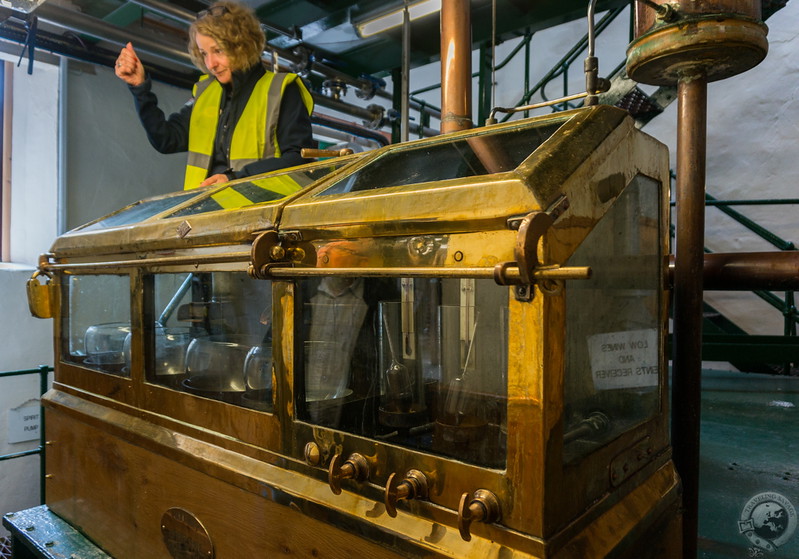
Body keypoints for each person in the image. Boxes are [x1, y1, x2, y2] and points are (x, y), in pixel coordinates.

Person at [115, 1, 315, 190]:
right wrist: (140, 88)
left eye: (218, 51)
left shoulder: (280, 89)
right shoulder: (205, 93)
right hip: (208, 215)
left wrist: (235, 179)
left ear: (242, 46)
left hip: (263, 216)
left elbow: (300, 159)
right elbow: (166, 139)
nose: (211, 64)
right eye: (204, 53)